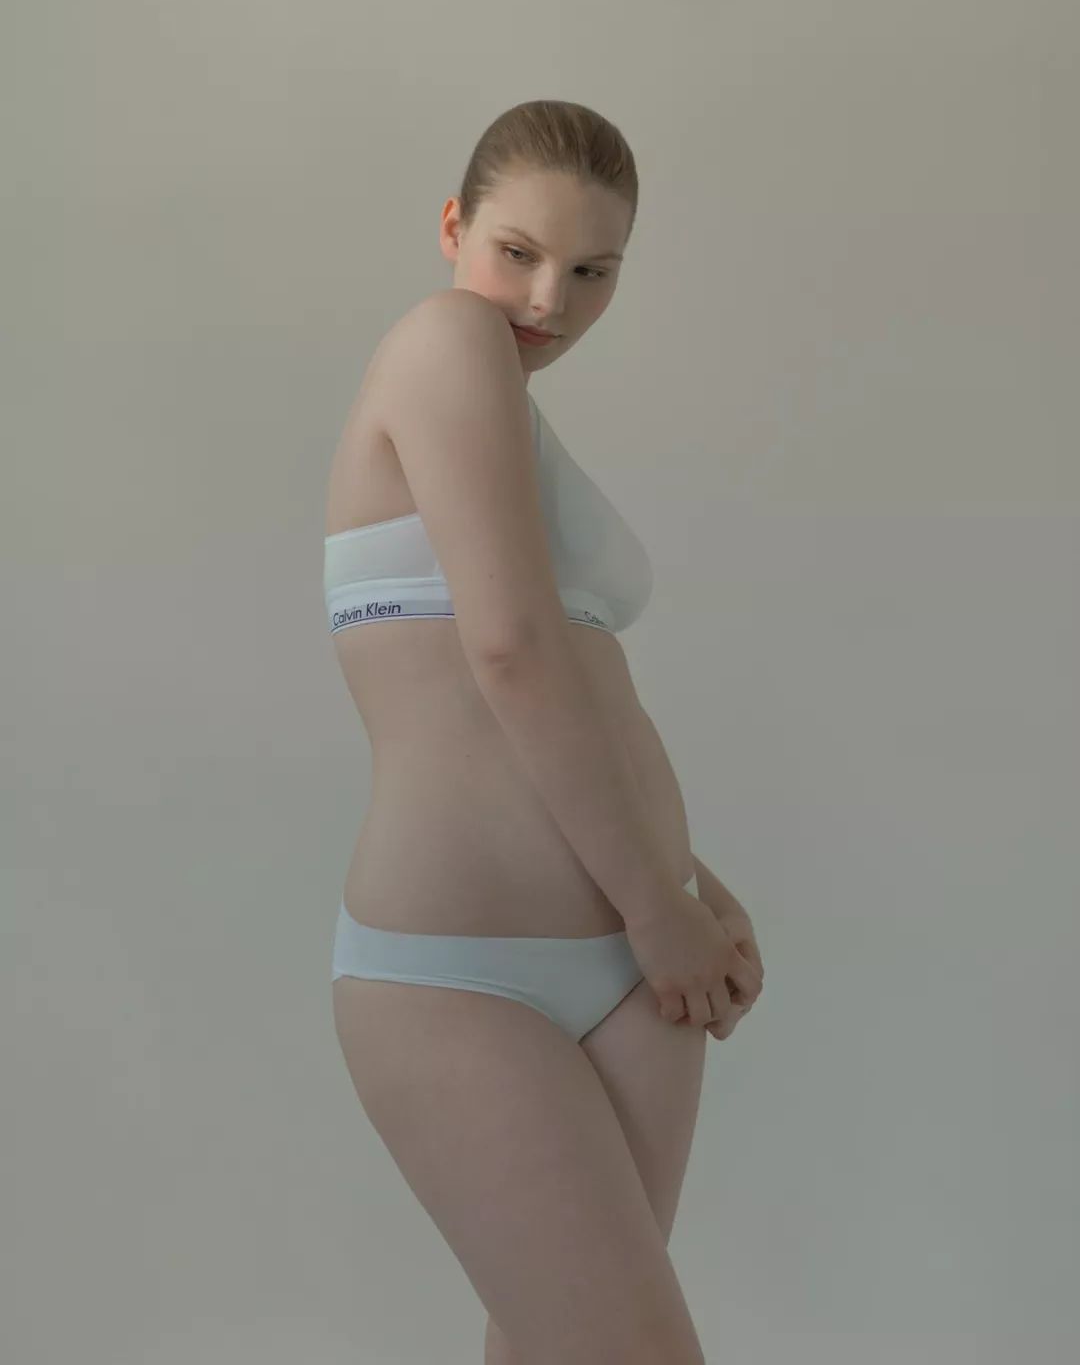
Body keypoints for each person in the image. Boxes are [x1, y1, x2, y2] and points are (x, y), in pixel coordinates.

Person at [325, 99, 764, 1365]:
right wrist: (657, 902)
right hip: (465, 973)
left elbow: (570, 690)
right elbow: (508, 652)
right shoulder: (445, 341)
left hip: (637, 959)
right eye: (517, 251)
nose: (548, 301)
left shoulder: (509, 413)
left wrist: (692, 883)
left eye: (592, 272)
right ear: (453, 226)